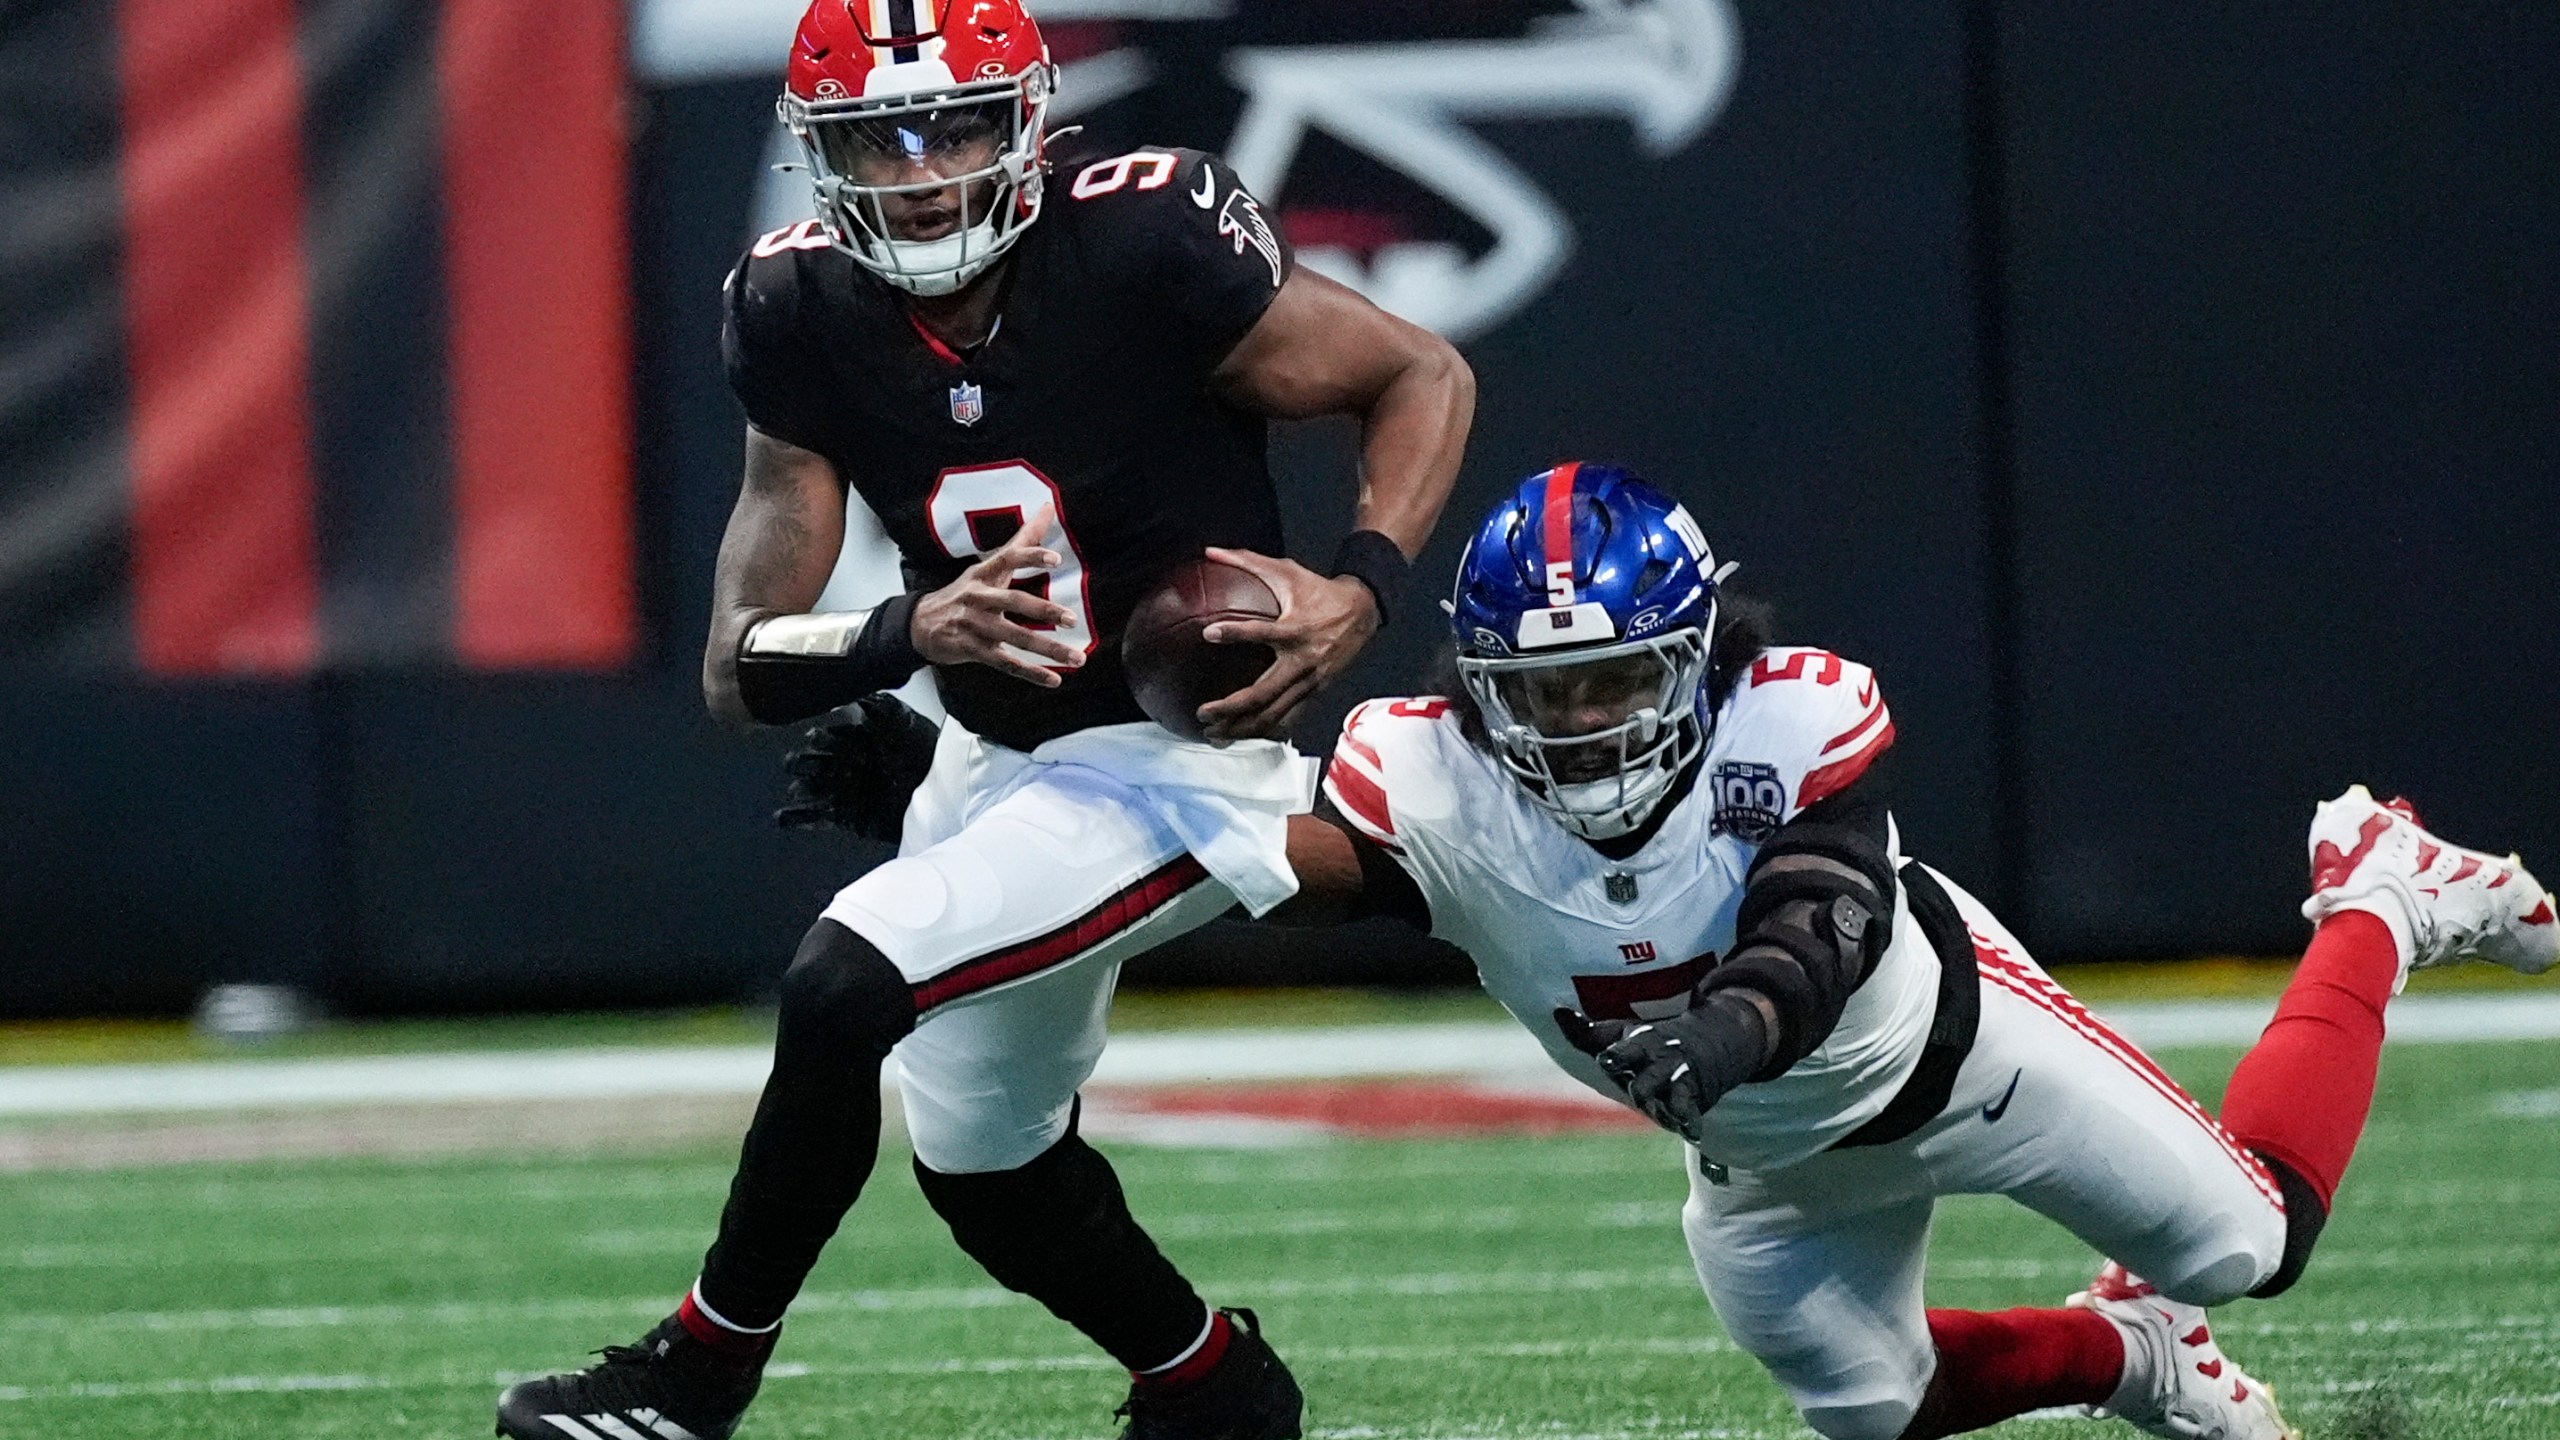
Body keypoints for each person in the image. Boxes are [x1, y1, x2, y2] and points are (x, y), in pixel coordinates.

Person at [780, 462, 2556, 1440]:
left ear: (1699, 659)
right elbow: (1231, 866)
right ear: (1482, 692)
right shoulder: (1433, 779)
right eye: (1541, 695)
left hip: (1958, 1061)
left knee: (2257, 1237)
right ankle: (2131, 1361)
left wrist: (1724, 1031)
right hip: (1763, 1165)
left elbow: (1825, 913)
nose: (1583, 725)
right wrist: (949, 787)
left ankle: (2380, 898)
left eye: (1621, 680)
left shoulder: (1798, 716)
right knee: (1883, 1412)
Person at [494, 1, 1472, 1437]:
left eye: (952, 125)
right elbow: (735, 664)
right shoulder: (795, 306)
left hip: (1174, 766)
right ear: (819, 160)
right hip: (997, 758)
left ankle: (695, 1382)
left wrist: (1359, 591)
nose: (919, 169)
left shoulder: (1146, 241)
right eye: (874, 140)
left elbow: (1419, 371)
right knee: (987, 1168)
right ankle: (1216, 1393)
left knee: (844, 982)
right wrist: (904, 634)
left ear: (1027, 119)